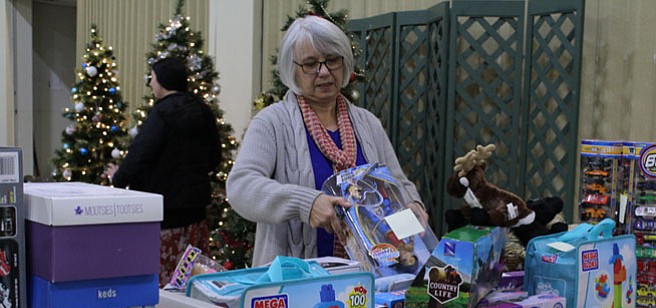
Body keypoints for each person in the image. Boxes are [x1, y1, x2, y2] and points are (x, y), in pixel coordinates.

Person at [226, 15, 427, 266]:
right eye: (310, 64)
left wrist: (412, 204)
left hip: (369, 280)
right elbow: (240, 187)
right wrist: (306, 204)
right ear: (293, 70)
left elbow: (398, 183)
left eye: (332, 60)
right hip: (294, 282)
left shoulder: (367, 123)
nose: (324, 72)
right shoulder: (271, 122)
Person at [105, 57, 222, 286]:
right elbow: (214, 157)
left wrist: (118, 178)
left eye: (153, 78)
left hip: (164, 213)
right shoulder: (202, 110)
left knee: (164, 281)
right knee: (193, 275)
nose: (150, 83)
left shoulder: (161, 115)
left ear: (163, 81)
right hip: (196, 212)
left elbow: (141, 154)